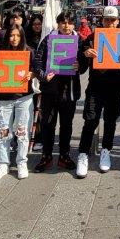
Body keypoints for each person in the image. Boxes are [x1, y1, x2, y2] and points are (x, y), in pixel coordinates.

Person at [76, 5, 120, 178]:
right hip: (95, 87)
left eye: (112, 20)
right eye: (107, 19)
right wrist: (85, 54)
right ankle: (83, 154)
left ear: (117, 21)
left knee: (110, 120)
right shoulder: (93, 38)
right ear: (102, 20)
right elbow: (81, 66)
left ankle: (106, 150)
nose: (109, 23)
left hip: (115, 87)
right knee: (90, 119)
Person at [0, 25, 38, 182]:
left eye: (17, 35)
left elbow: (37, 69)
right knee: (3, 130)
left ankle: (21, 162)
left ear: (22, 36)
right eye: (11, 35)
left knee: (22, 130)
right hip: (3, 98)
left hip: (24, 97)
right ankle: (3, 163)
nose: (14, 38)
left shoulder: (29, 51)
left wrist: (32, 73)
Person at [34, 12, 81, 172]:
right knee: (47, 124)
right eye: (63, 23)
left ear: (74, 25)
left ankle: (64, 155)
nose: (66, 26)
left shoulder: (78, 40)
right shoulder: (48, 39)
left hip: (70, 90)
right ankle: (46, 156)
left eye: (69, 23)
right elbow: (37, 62)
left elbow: (85, 63)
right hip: (50, 90)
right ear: (58, 24)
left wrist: (79, 65)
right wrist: (43, 76)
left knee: (66, 125)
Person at [0, 6, 26, 152]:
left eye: (18, 17)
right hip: (2, 85)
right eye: (12, 17)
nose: (15, 20)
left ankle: (15, 144)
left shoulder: (24, 34)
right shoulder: (2, 34)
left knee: (19, 119)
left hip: (20, 88)